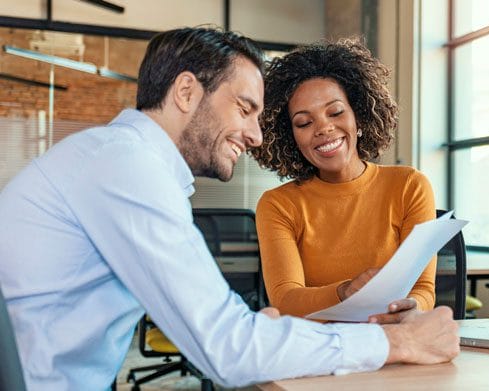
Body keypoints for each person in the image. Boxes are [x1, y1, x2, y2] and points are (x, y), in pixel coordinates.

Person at [0, 27, 459, 390]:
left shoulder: (123, 161)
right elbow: (225, 350)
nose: (257, 135)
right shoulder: (125, 167)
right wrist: (394, 341)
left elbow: (225, 334)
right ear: (185, 92)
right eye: (244, 109)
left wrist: (259, 335)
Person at [252, 38, 436, 321]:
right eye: (304, 122)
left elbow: (423, 289)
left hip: (393, 339)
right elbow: (286, 299)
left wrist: (413, 307)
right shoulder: (278, 204)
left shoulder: (409, 185)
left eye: (335, 112)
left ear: (359, 117)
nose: (324, 128)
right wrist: (346, 292)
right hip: (318, 348)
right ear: (291, 138)